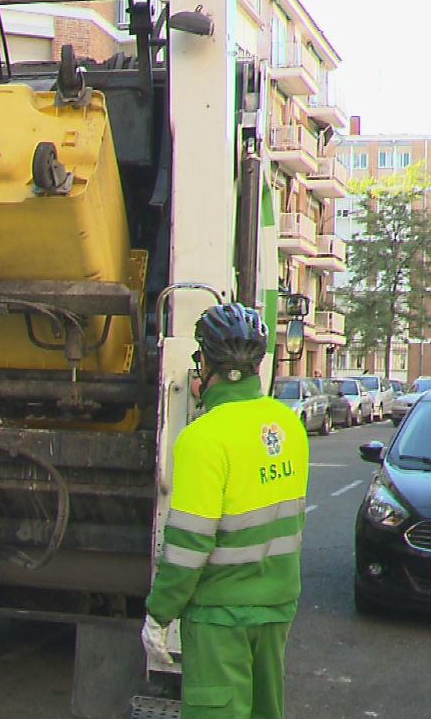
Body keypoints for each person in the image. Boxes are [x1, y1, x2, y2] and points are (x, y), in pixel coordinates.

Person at [141, 303, 309, 719]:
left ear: (206, 365)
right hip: (276, 607)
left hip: (220, 616)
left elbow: (188, 545)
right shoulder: (289, 425)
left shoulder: (203, 438)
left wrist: (160, 613)